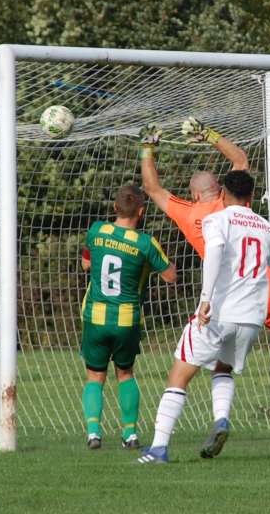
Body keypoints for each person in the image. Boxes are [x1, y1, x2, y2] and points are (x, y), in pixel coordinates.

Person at [138, 171, 270, 464]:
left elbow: (214, 253)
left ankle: (158, 448)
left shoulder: (216, 220)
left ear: (223, 194)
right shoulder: (265, 226)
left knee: (179, 376)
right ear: (250, 196)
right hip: (251, 318)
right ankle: (221, 420)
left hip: (219, 312)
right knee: (222, 368)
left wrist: (206, 299)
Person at [139, 121, 270, 343]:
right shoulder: (232, 200)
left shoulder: (189, 214)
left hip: (254, 286)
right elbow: (239, 159)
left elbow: (152, 187)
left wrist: (147, 147)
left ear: (195, 195)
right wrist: (207, 134)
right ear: (220, 187)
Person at [79, 185, 177, 450]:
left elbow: (86, 263)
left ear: (115, 208)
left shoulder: (96, 231)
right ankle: (130, 433)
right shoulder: (145, 243)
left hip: (95, 317)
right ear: (141, 211)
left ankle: (93, 432)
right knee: (125, 373)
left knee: (95, 376)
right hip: (127, 320)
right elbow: (170, 276)